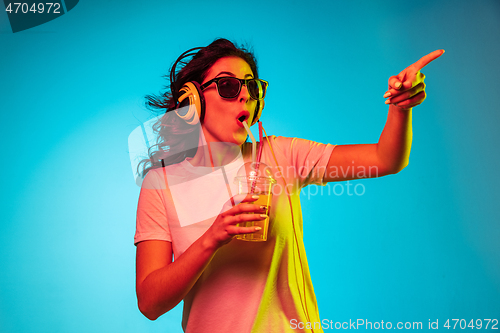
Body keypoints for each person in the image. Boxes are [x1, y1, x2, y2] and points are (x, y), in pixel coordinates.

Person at [134, 38, 444, 332]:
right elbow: (150, 303)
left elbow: (385, 158)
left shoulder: (280, 155)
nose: (245, 95)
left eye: (252, 87)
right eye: (228, 86)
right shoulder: (160, 185)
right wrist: (212, 238)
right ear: (193, 101)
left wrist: (401, 108)